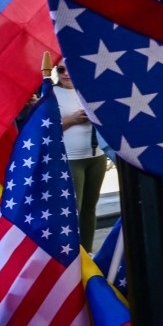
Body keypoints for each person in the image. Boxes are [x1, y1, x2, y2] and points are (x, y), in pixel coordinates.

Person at [53, 61, 107, 251]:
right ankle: (71, 253)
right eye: (60, 70)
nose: (66, 74)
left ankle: (87, 251)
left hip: (96, 155)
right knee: (72, 209)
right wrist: (72, 120)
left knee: (90, 207)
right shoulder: (51, 93)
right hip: (70, 158)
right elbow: (45, 130)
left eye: (69, 68)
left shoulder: (91, 90)